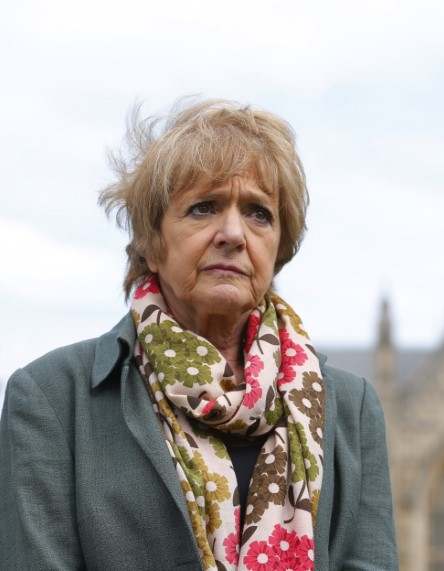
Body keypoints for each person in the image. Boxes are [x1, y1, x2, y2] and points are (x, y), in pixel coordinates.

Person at [0, 99, 398, 571]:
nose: (233, 233)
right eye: (203, 208)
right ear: (150, 242)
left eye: (259, 213)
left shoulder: (350, 409)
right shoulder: (51, 399)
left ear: (279, 247)